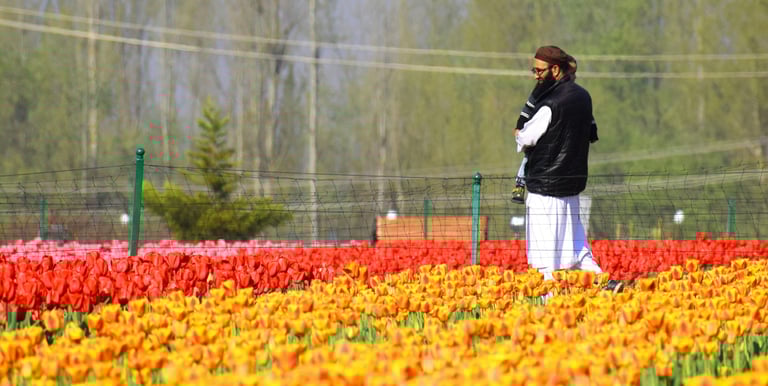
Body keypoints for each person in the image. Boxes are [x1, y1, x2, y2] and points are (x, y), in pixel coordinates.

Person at [515, 45, 622, 293]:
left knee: (545, 259)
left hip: (544, 190)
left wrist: (519, 132)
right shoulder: (584, 97)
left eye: (539, 70)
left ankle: (549, 306)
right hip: (571, 189)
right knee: (576, 248)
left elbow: (525, 139)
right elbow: (591, 133)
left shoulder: (549, 104)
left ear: (555, 69)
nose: (535, 76)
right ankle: (605, 285)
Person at [511, 55, 595, 204]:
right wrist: (520, 126)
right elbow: (527, 109)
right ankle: (519, 184)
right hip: (533, 130)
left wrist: (592, 130)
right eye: (571, 74)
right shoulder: (542, 93)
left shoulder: (570, 97)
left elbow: (589, 118)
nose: (573, 77)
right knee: (527, 159)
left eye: (575, 74)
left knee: (530, 157)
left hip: (552, 167)